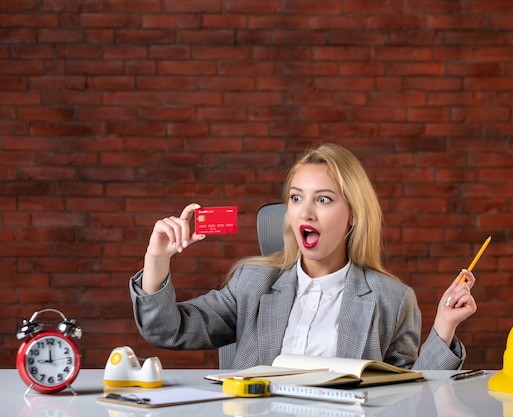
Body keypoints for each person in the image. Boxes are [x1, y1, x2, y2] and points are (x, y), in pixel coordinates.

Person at [130, 143, 477, 370]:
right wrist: (157, 259)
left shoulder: (392, 299)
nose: (305, 212)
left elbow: (412, 395)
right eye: (296, 198)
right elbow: (167, 330)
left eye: (323, 199)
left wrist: (444, 327)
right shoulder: (252, 283)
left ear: (353, 214)